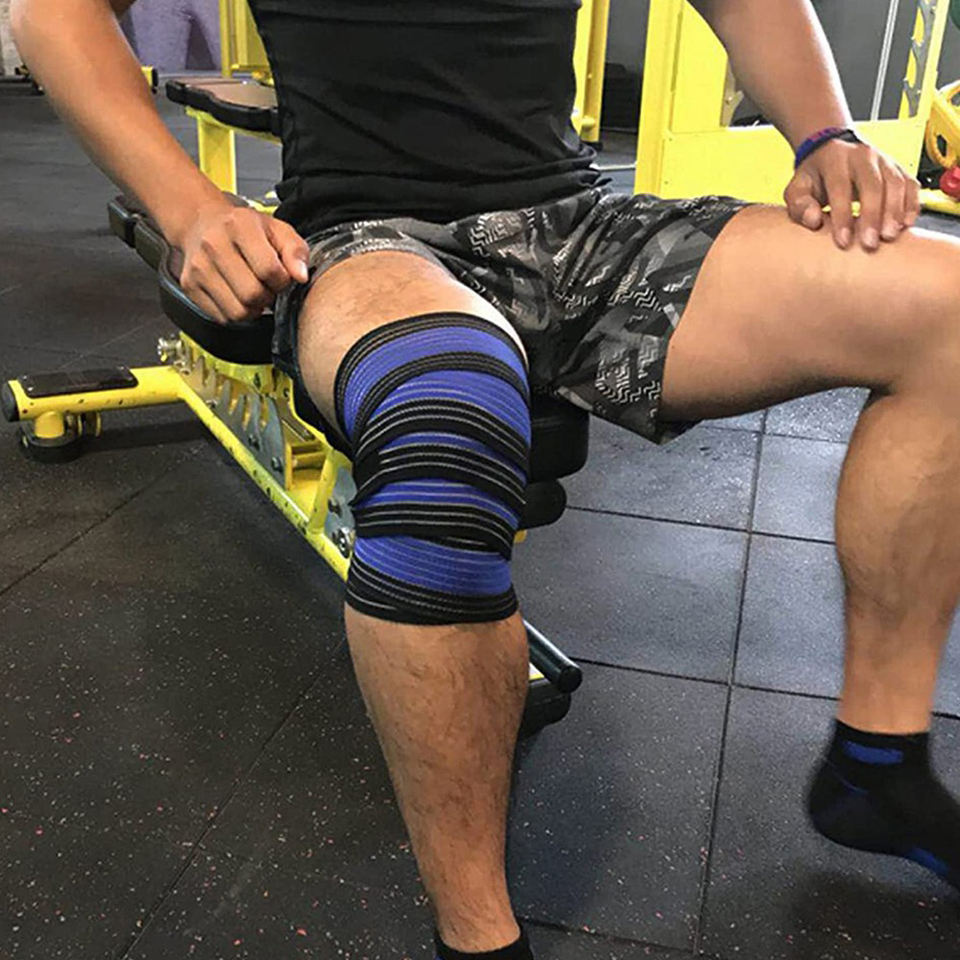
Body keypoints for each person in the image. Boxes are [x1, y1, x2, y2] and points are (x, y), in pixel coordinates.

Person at [11, 0, 960, 956]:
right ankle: (477, 938)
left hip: (580, 228)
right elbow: (55, 11)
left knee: (950, 312)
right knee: (447, 423)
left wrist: (826, 133)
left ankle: (876, 762)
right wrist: (189, 206)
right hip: (369, 239)